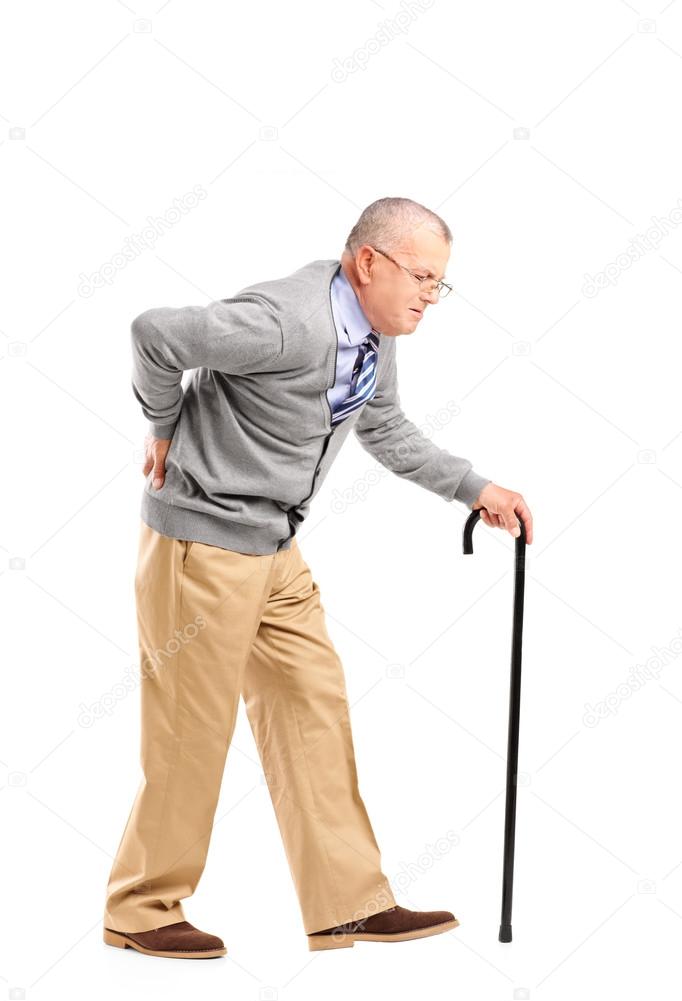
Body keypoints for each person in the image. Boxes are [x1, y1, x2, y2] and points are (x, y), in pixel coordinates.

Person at [102, 196, 534, 959]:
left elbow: (385, 427)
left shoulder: (372, 330)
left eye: (439, 283)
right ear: (369, 262)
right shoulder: (285, 321)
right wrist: (163, 425)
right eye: (423, 278)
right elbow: (155, 334)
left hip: (275, 548)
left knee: (312, 707)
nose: (431, 297)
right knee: (191, 732)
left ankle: (348, 904)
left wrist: (475, 488)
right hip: (202, 546)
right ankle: (139, 907)